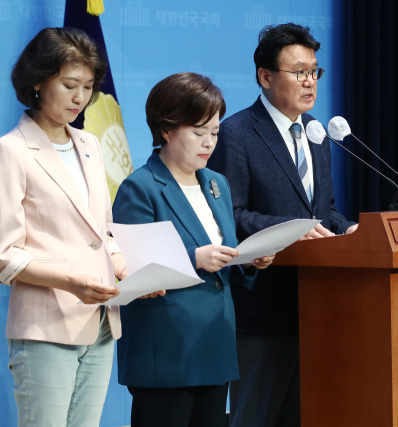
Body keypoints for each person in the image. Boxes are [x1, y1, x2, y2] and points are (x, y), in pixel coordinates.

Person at [207, 23, 357, 427]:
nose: (310, 82)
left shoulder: (317, 134)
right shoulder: (236, 134)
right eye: (299, 72)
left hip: (316, 306)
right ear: (265, 76)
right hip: (263, 309)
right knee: (255, 416)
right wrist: (290, 227)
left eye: (314, 72)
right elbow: (231, 215)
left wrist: (349, 231)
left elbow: (323, 210)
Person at [0, 27, 133, 427]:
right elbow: (5, 256)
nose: (79, 97)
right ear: (37, 81)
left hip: (101, 322)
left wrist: (127, 269)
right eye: (69, 85)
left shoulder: (89, 143)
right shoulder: (9, 151)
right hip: (45, 327)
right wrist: (71, 282)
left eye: (87, 86)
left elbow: (104, 231)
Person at [112, 72, 275, 427]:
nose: (209, 143)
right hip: (167, 351)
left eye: (214, 133)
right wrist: (193, 258)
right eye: (198, 132)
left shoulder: (217, 183)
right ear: (167, 129)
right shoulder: (140, 187)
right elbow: (137, 270)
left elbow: (225, 251)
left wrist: (250, 262)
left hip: (214, 342)